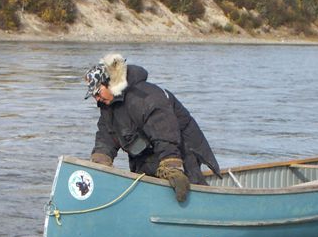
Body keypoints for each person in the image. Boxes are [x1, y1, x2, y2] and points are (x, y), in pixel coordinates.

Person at [83, 53, 220, 202]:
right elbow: (106, 137)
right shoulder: (108, 106)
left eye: (97, 93)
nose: (96, 99)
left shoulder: (145, 97)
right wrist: (99, 164)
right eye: (93, 96)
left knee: (187, 189)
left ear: (109, 83)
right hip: (145, 158)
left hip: (181, 150)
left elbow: (166, 133)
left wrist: (172, 166)